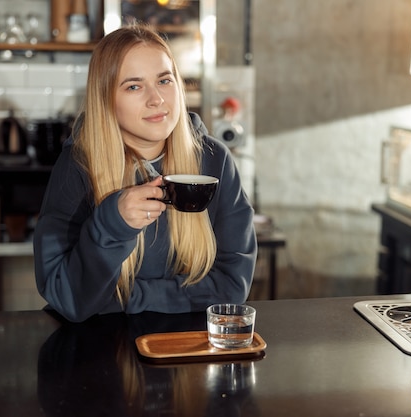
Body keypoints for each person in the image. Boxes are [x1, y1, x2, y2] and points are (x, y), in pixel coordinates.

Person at [33, 24, 257, 322]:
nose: (156, 99)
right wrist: (111, 225)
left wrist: (130, 298)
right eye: (134, 86)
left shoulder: (215, 160)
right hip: (100, 356)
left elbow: (231, 288)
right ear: (105, 99)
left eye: (164, 80)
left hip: (188, 353)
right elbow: (66, 298)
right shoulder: (78, 165)